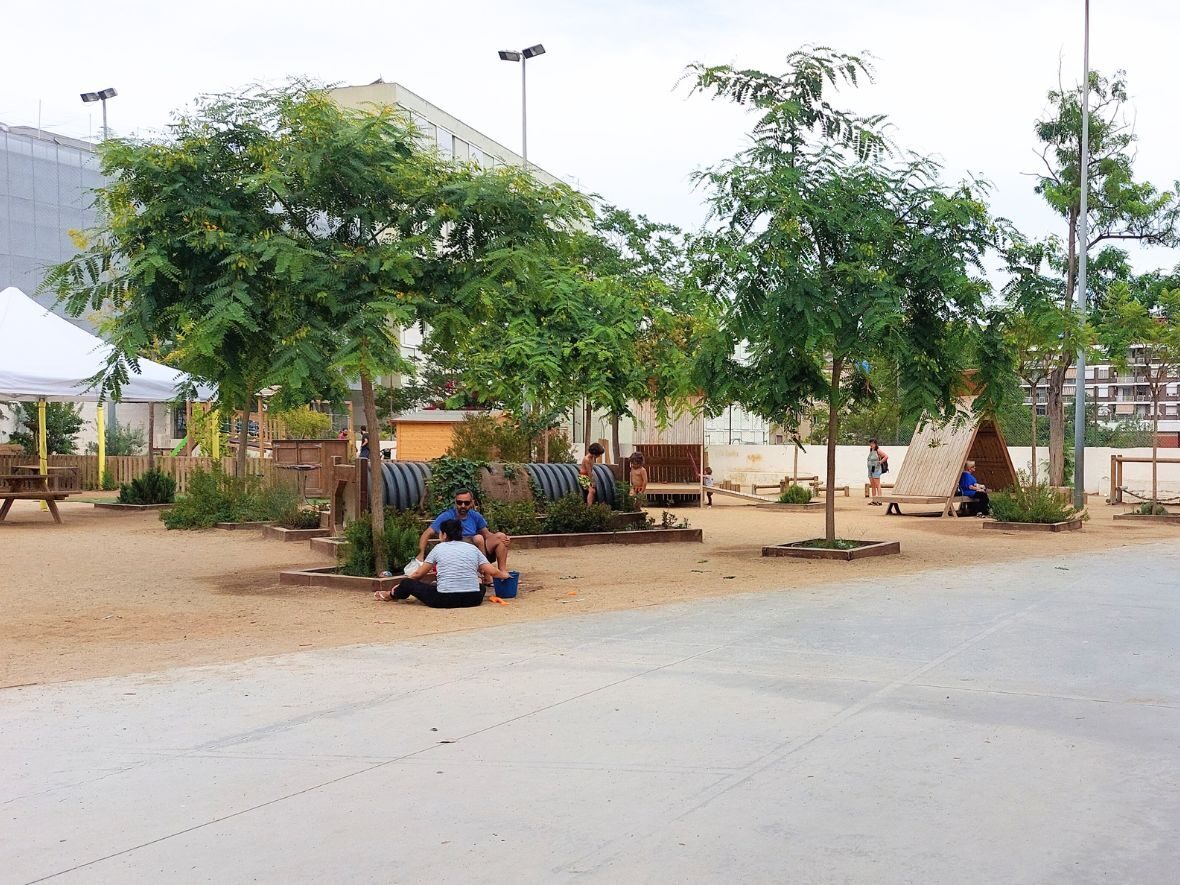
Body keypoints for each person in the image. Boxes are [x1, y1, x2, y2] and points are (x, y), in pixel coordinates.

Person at [376, 518, 509, 607]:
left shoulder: (439, 548)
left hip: (444, 599)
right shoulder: (472, 548)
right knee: (480, 586)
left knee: (407, 583)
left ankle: (392, 594)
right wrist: (506, 576)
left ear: (444, 535)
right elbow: (492, 571)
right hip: (473, 599)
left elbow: (418, 574)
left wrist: (401, 585)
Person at [418, 488, 511, 574]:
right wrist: (420, 555)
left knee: (500, 536)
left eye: (466, 503)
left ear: (472, 503)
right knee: (478, 538)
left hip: (476, 551)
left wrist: (504, 539)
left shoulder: (475, 516)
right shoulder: (447, 516)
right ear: (455, 502)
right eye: (459, 502)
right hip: (457, 552)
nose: (463, 506)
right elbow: (426, 533)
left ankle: (502, 571)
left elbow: (487, 534)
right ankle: (485, 574)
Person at [867, 438, 888, 506]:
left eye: (873, 443)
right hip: (870, 469)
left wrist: (880, 462)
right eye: (870, 443)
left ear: (875, 444)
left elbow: (886, 456)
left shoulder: (878, 450)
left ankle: (879, 500)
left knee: (877, 484)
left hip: (876, 469)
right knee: (872, 485)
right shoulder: (871, 450)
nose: (871, 445)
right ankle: (874, 500)